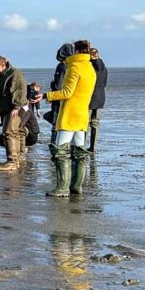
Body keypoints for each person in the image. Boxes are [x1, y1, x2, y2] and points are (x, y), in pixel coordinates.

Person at [43, 40, 96, 197]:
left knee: (60, 151)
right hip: (82, 114)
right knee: (80, 152)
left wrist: (46, 96)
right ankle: (76, 187)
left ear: (76, 52)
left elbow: (67, 92)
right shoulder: (90, 68)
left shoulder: (74, 67)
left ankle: (62, 188)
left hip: (70, 115)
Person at [0, 55, 27, 171]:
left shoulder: (15, 73)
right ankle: (17, 159)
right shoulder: (2, 76)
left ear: (2, 64)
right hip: (7, 108)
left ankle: (12, 161)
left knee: (9, 132)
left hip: (16, 108)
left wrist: (16, 106)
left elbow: (19, 90)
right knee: (15, 132)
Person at [44, 42, 75, 128]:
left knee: (56, 121)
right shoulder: (72, 65)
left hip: (58, 98)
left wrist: (52, 95)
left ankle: (55, 136)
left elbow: (58, 84)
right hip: (68, 98)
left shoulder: (62, 66)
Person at [88, 47, 108, 153]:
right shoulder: (104, 68)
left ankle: (81, 145)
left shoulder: (89, 67)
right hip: (101, 97)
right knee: (95, 123)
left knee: (85, 123)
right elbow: (104, 84)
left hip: (90, 97)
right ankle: (93, 147)